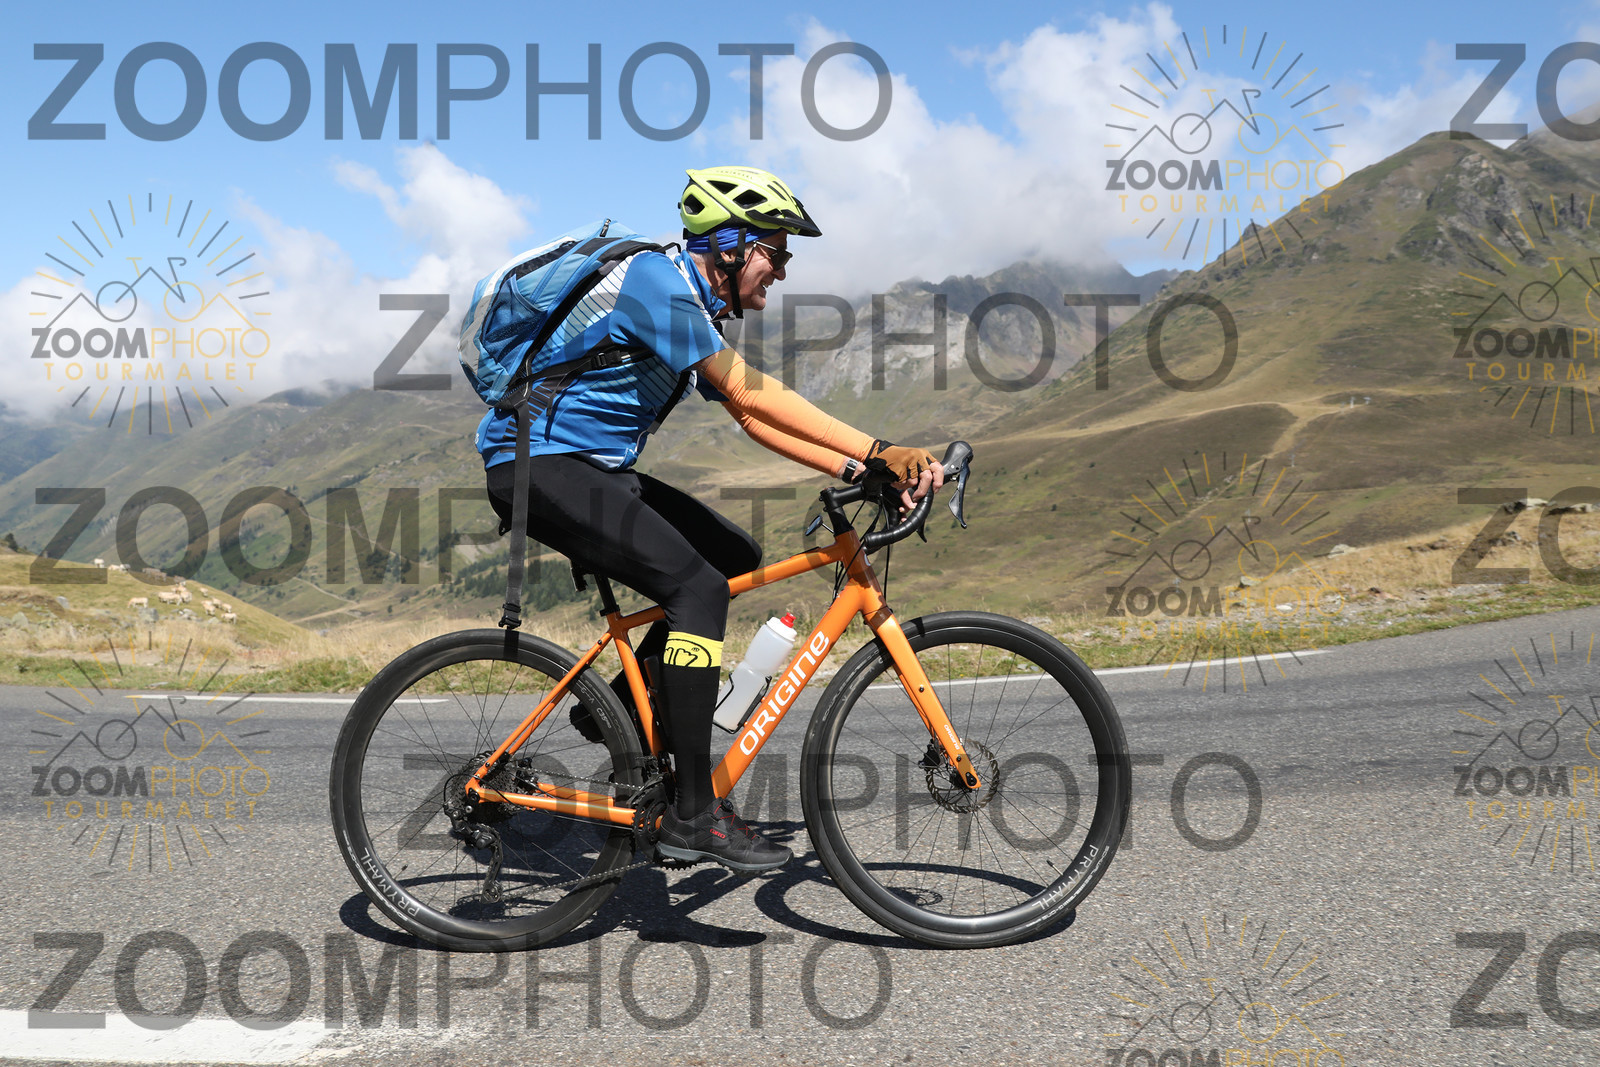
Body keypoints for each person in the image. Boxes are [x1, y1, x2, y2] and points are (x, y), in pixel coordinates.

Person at [479, 165, 943, 872]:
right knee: (697, 591)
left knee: (732, 556)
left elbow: (749, 417)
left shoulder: (687, 300)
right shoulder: (653, 283)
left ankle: (625, 713)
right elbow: (751, 391)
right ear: (730, 245)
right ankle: (693, 814)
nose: (782, 270)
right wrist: (879, 448)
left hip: (588, 468)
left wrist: (858, 470)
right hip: (541, 467)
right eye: (775, 252)